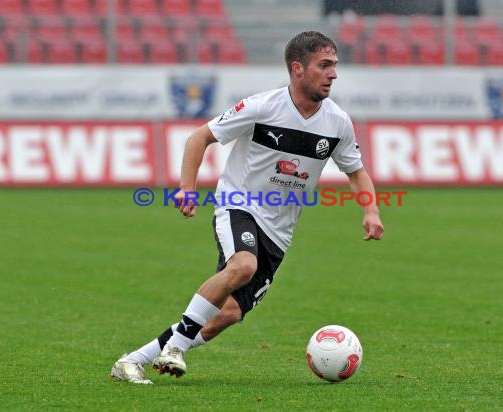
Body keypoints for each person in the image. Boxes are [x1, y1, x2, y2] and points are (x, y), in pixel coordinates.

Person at [110, 30, 384, 385]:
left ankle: (133, 360)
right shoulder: (262, 107)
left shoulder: (337, 123)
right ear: (298, 68)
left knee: (228, 314)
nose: (333, 74)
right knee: (243, 264)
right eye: (325, 65)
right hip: (239, 202)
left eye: (335, 66)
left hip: (279, 231)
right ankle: (175, 348)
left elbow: (356, 172)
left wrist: (371, 210)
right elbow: (200, 137)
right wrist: (187, 189)